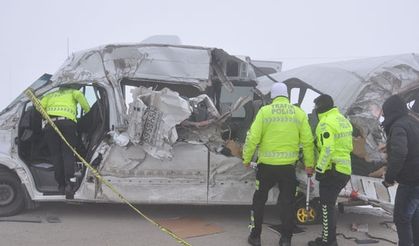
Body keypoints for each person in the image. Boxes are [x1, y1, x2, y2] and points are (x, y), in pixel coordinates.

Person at [243, 82, 315, 246]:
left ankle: (255, 237)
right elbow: (308, 142)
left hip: (266, 168)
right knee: (287, 203)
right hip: (288, 169)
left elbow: (252, 137)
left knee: (259, 201)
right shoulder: (299, 113)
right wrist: (309, 164)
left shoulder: (265, 111)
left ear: (273, 96)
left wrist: (247, 159)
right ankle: (285, 239)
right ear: (286, 96)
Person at [308, 95, 352, 246]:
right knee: (329, 205)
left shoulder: (325, 123)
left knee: (326, 206)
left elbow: (328, 148)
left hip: (332, 171)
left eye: (315, 107)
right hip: (344, 169)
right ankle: (328, 237)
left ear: (320, 108)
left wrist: (319, 169)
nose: (314, 111)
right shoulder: (342, 120)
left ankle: (328, 241)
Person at [381, 95, 419, 246]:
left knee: (402, 219)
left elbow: (399, 154)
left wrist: (389, 178)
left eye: (385, 112)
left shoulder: (399, 125)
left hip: (411, 181)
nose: (383, 115)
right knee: (415, 217)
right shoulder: (414, 123)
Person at [40, 85, 90, 197]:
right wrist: (87, 112)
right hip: (67, 124)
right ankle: (69, 184)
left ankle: (61, 185)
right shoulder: (74, 92)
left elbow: (39, 107)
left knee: (56, 155)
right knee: (67, 154)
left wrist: (47, 116)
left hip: (51, 125)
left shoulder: (49, 95)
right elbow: (83, 102)